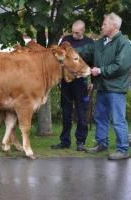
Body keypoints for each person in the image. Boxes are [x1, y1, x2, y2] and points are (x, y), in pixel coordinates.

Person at [81, 12, 131, 160]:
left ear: (114, 25)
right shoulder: (100, 43)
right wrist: (68, 51)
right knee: (100, 117)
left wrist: (100, 71)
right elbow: (86, 53)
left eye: (105, 24)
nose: (102, 26)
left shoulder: (124, 44)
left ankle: (123, 149)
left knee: (118, 119)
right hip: (102, 87)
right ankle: (102, 143)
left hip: (116, 89)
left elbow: (121, 66)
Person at [51, 20, 93, 151]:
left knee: (81, 113)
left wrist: (92, 81)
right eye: (73, 32)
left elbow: (93, 63)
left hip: (81, 83)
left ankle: (81, 142)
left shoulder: (90, 43)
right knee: (66, 112)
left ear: (83, 31)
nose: (74, 34)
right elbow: (57, 57)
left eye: (77, 32)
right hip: (66, 82)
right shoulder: (65, 40)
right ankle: (65, 141)